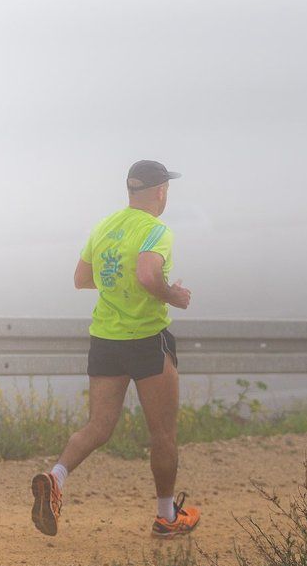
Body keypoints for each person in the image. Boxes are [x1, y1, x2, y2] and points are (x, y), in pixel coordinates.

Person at [30, 160, 200, 538]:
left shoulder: (104, 227)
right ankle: (166, 516)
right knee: (163, 434)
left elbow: (81, 278)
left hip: (106, 338)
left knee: (98, 426)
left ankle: (56, 477)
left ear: (130, 191)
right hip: (145, 339)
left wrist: (117, 288)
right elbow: (147, 275)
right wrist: (173, 295)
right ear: (160, 192)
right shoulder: (157, 231)